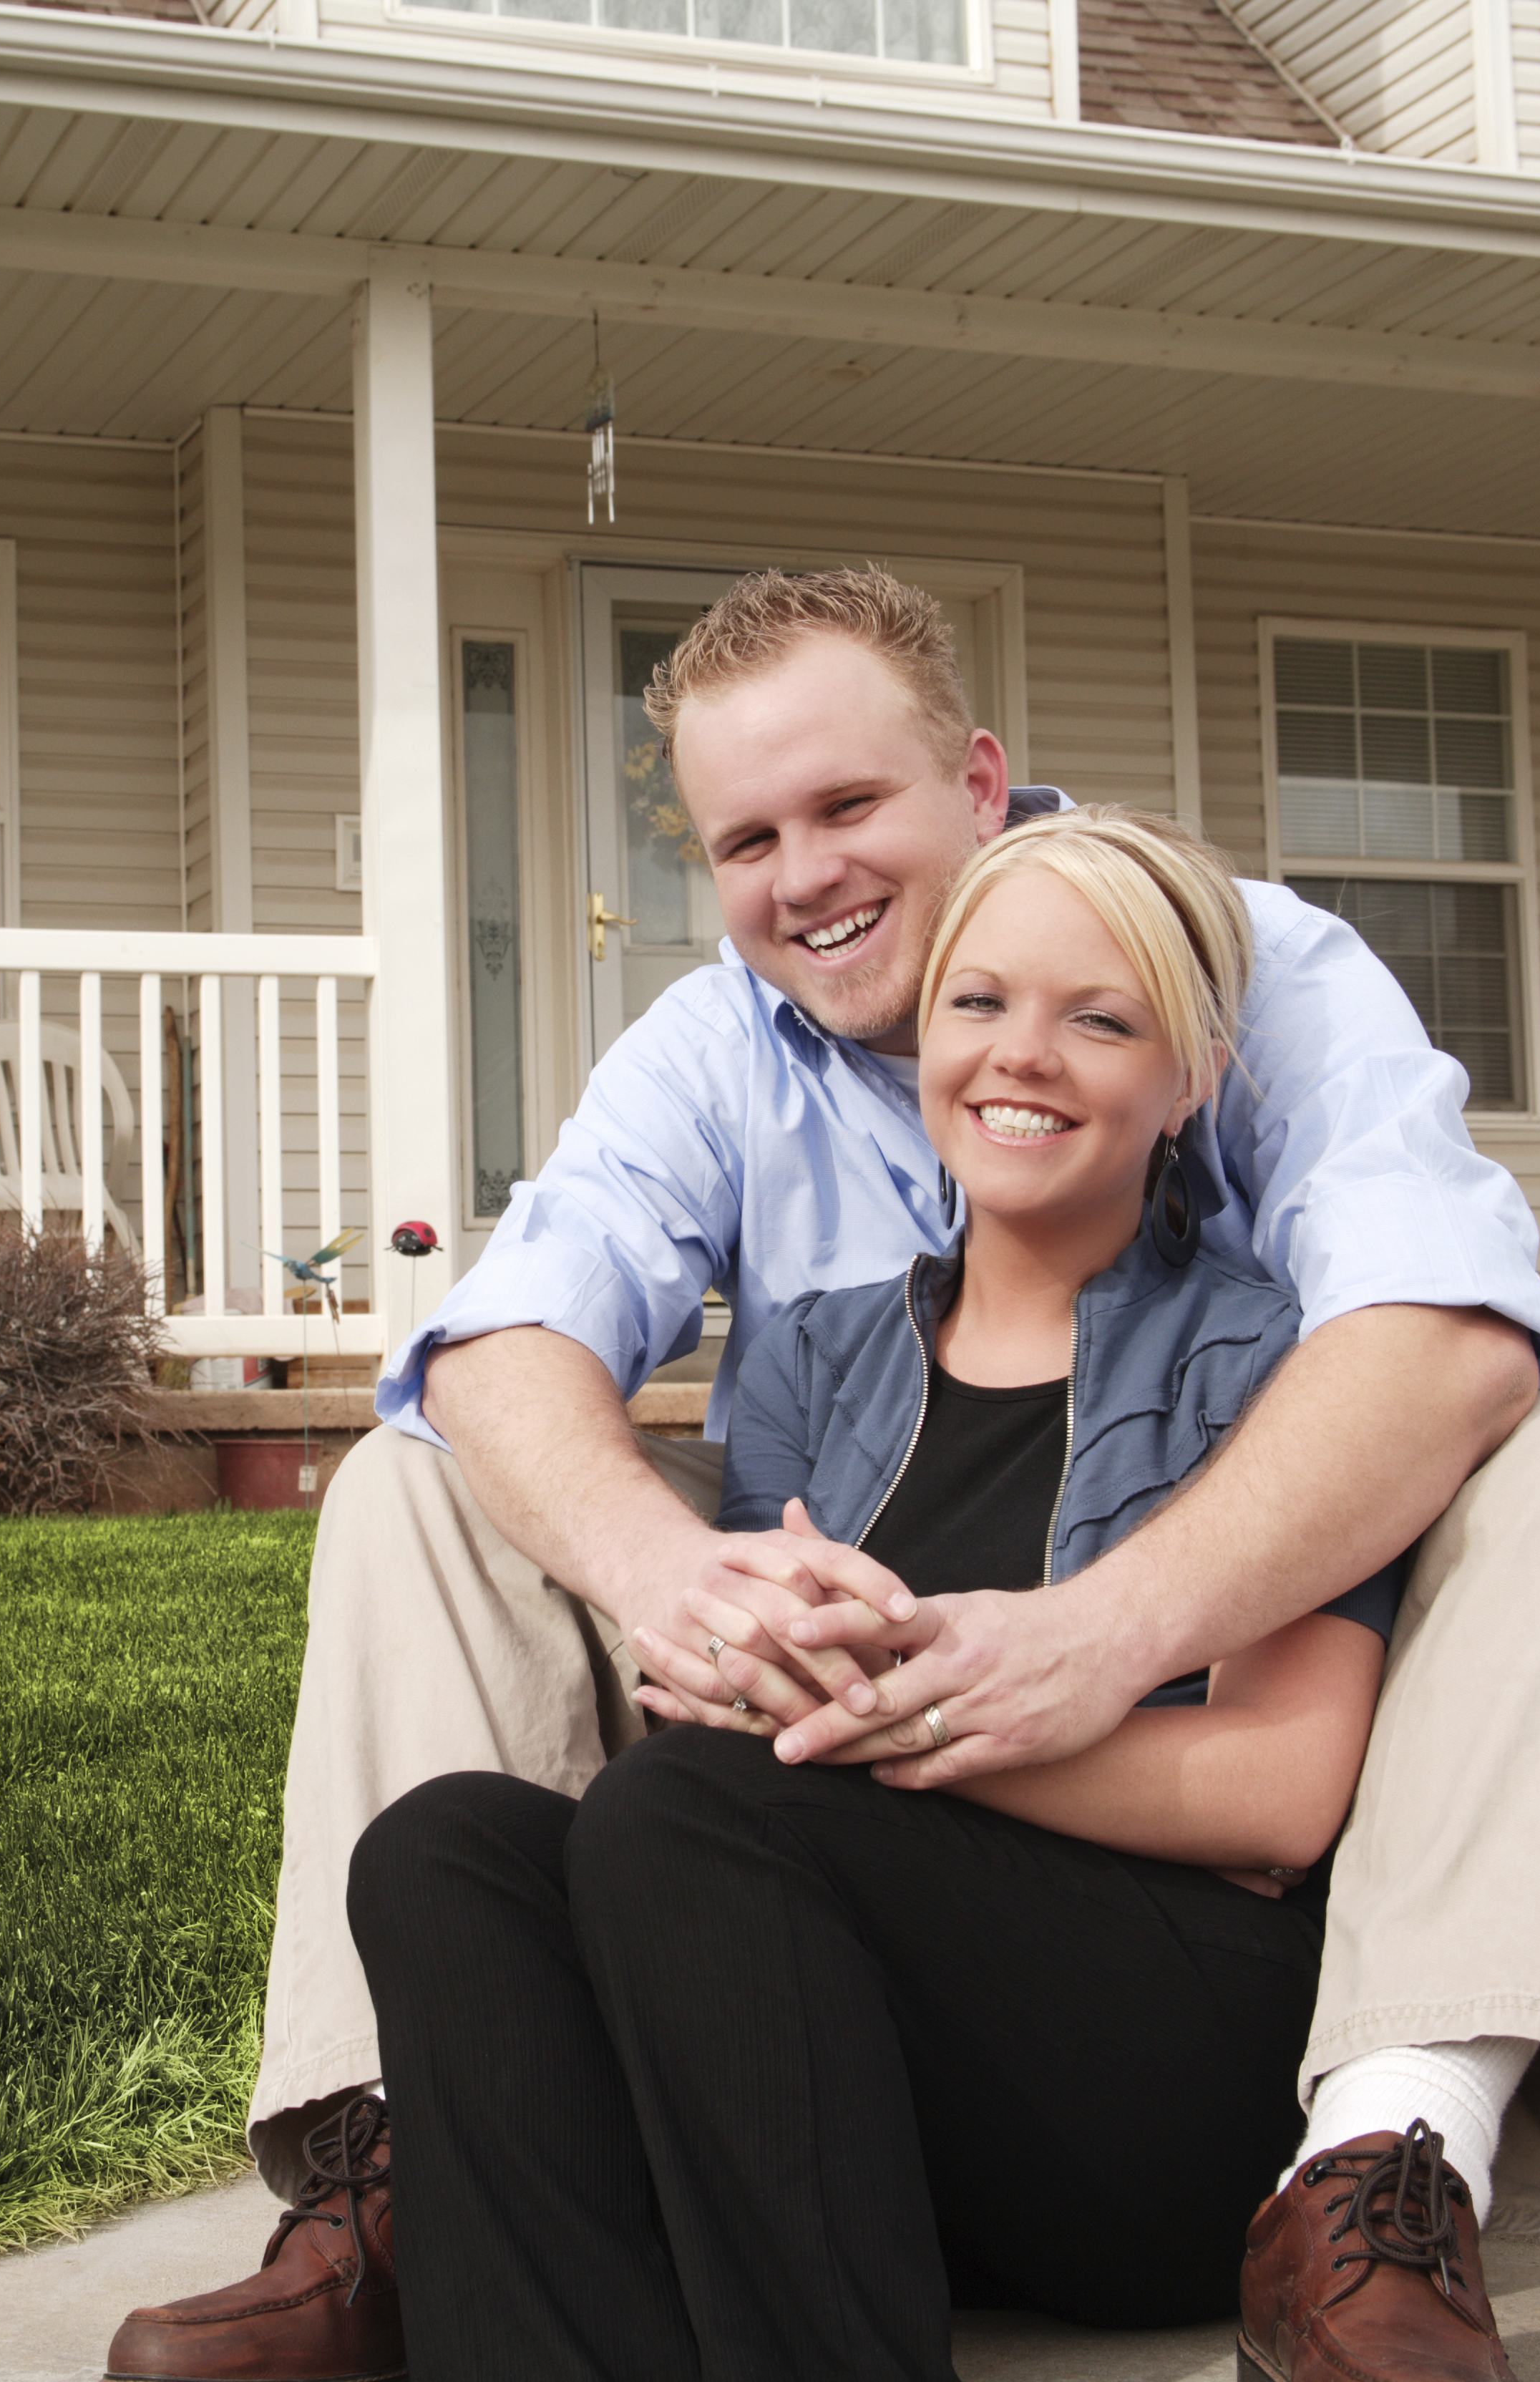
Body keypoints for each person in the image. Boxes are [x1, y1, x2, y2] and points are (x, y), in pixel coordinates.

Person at [104, 570, 1540, 2382]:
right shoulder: (758, 1151)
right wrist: (675, 1584)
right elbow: (503, 1343)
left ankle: (1377, 2163)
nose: (804, 875)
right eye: (747, 837)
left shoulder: (1253, 989)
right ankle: (422, 2170)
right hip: (822, 1854)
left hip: (1155, 1880)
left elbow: (1444, 1330)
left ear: (977, 777)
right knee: (430, 1548)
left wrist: (1080, 1647)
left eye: (849, 805)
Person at [348, 806, 1431, 2380]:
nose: (1023, 1055)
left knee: (689, 1806)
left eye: (1101, 1017)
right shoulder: (813, 1345)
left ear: (1190, 1078)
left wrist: (899, 1727)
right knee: (446, 1849)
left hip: (1167, 2067)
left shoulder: (1272, 1361)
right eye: (982, 1003)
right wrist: (741, 1681)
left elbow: (1281, 1792)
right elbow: (748, 1762)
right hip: (878, 2071)